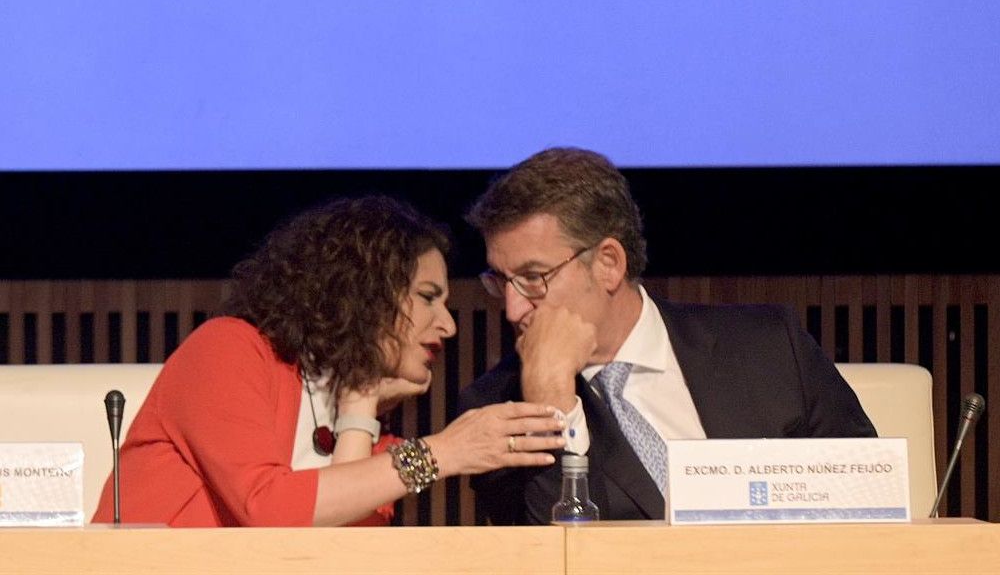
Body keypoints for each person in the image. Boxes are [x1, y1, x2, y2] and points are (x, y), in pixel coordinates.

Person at [457, 147, 876, 524]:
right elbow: (547, 559)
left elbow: (872, 492)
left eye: (533, 278)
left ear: (608, 263)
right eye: (500, 281)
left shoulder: (768, 347)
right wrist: (550, 398)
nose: (513, 308)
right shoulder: (493, 409)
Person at [92, 195, 565, 527]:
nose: (448, 325)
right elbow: (268, 508)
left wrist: (359, 416)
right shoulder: (228, 350)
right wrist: (442, 452)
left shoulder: (370, 427)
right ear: (363, 294)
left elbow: (342, 554)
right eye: (427, 298)